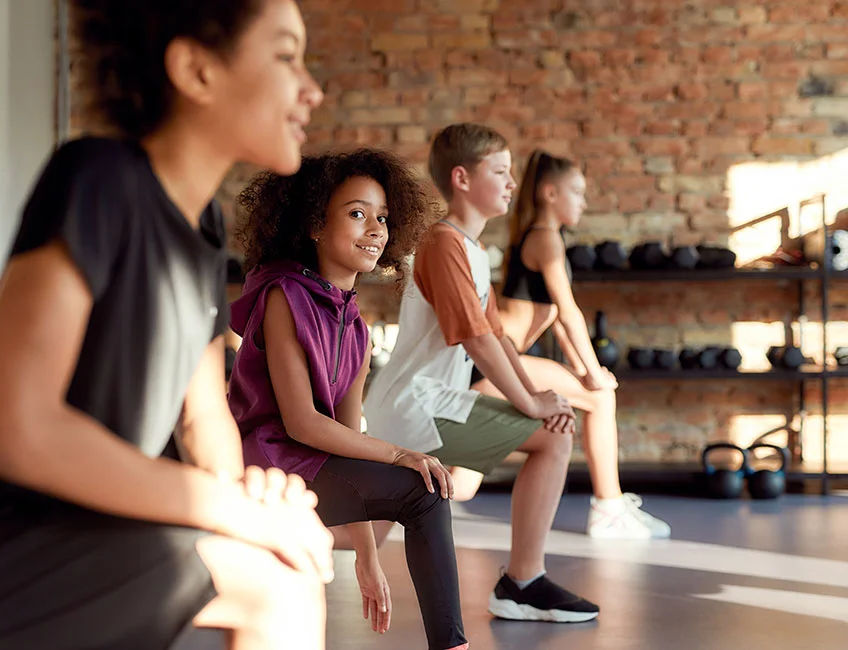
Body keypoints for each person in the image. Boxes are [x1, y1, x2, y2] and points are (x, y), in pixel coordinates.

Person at [0, 1, 335, 648]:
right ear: (196, 70)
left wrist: (253, 505)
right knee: (275, 587)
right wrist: (237, 515)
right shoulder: (97, 179)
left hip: (63, 530)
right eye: (287, 56)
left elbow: (203, 421)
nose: (311, 89)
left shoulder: (202, 230)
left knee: (283, 570)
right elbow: (13, 430)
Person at [228, 149, 470, 650]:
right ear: (316, 224)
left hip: (310, 466)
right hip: (265, 464)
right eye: (357, 213)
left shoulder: (355, 325)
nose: (376, 229)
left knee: (428, 491)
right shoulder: (283, 296)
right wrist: (401, 454)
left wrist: (366, 553)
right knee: (421, 485)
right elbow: (302, 425)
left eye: (382, 217)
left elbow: (346, 436)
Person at [364, 123, 600, 623]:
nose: (513, 183)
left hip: (428, 403)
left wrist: (538, 394)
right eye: (500, 171)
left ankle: (266, 535)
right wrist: (533, 405)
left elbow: (499, 339)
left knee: (360, 533)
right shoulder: (443, 242)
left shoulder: (470, 249)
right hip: (417, 404)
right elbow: (475, 338)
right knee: (552, 437)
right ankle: (522, 582)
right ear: (462, 178)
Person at [489, 149, 671, 540]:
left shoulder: (542, 237)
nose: (584, 202)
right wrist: (592, 376)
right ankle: (609, 509)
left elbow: (555, 320)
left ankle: (612, 506)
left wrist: (586, 372)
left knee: (462, 483)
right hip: (496, 360)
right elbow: (570, 314)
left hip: (508, 357)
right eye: (577, 192)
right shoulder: (545, 240)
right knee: (602, 399)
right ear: (550, 193)